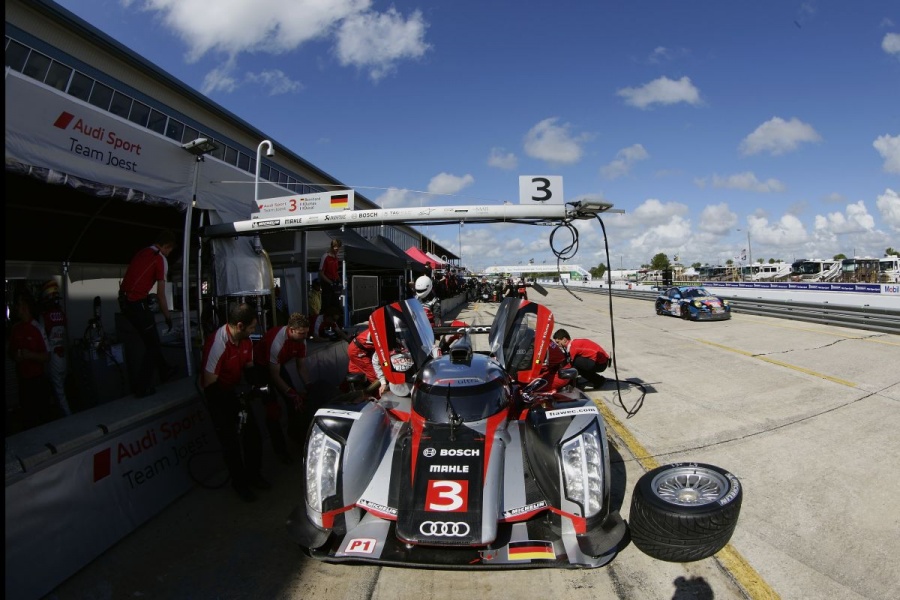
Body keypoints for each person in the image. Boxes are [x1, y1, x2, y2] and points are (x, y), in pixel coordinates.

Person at [200, 302, 267, 502]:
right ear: (240, 325)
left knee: (253, 436)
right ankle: (240, 484)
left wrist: (255, 386)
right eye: (252, 327)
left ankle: (254, 476)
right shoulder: (217, 345)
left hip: (236, 392)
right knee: (231, 444)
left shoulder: (246, 341)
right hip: (219, 396)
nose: (254, 330)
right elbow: (209, 385)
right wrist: (234, 399)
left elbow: (249, 366)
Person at [119, 229, 178, 398]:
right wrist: (167, 317)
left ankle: (165, 370)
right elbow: (161, 294)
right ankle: (142, 386)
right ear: (167, 246)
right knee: (152, 344)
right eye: (170, 250)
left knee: (151, 338)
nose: (169, 254)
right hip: (135, 302)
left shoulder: (143, 251)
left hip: (124, 301)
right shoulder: (160, 258)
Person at [253, 313, 312, 455]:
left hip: (278, 365)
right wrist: (291, 393)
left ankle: (295, 436)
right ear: (291, 330)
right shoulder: (277, 342)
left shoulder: (301, 340)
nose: (305, 336)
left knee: (294, 404)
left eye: (306, 333)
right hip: (261, 368)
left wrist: (309, 386)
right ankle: (280, 451)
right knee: (273, 409)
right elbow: (274, 375)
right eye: (301, 333)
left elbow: (301, 367)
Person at [7, 291, 55, 431]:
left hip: (38, 382)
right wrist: (15, 356)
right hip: (23, 382)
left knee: (42, 419)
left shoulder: (37, 328)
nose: (17, 308)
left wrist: (30, 355)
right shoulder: (15, 329)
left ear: (26, 307)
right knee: (28, 419)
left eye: (20, 305)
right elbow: (11, 352)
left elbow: (47, 356)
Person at [39, 279, 71, 416]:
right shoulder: (62, 314)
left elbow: (43, 339)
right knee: (61, 387)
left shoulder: (44, 316)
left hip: (52, 357)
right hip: (63, 356)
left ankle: (68, 417)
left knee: (59, 391)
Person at [347, 327, 387, 396]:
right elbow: (376, 361)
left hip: (358, 348)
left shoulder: (384, 328)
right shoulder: (382, 336)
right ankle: (379, 397)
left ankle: (346, 390)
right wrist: (382, 379)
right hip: (358, 351)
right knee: (375, 377)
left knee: (355, 371)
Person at [318, 238, 343, 311]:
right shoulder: (325, 257)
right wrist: (330, 282)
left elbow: (335, 271)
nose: (337, 251)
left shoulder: (336, 258)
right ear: (332, 247)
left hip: (334, 282)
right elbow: (321, 273)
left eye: (338, 249)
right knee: (326, 304)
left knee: (336, 304)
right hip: (327, 283)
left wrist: (339, 281)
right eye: (336, 249)